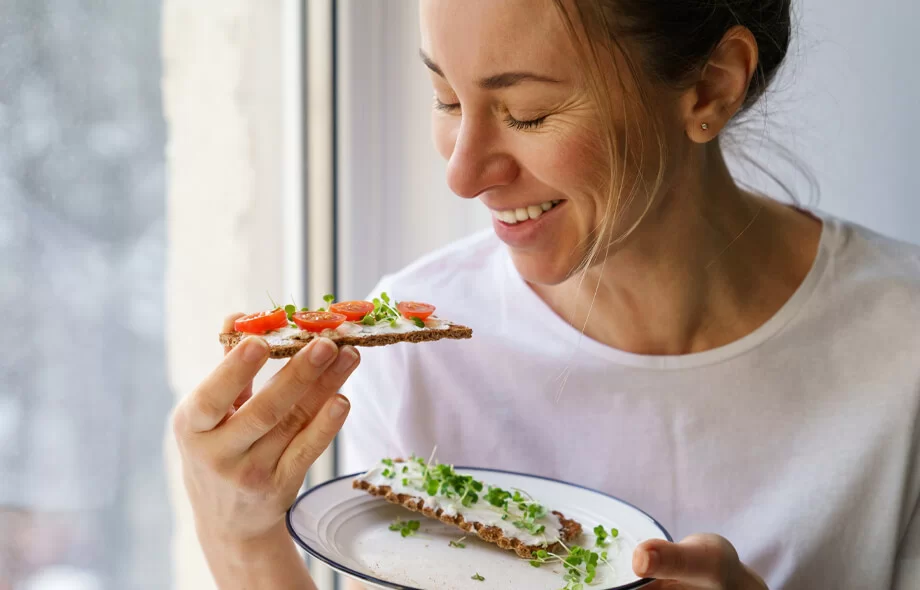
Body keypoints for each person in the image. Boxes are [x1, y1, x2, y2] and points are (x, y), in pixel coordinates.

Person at [171, 0, 920, 588]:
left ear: (710, 85)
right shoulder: (420, 364)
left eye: (527, 113)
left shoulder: (902, 348)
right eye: (445, 99)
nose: (462, 176)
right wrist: (239, 541)